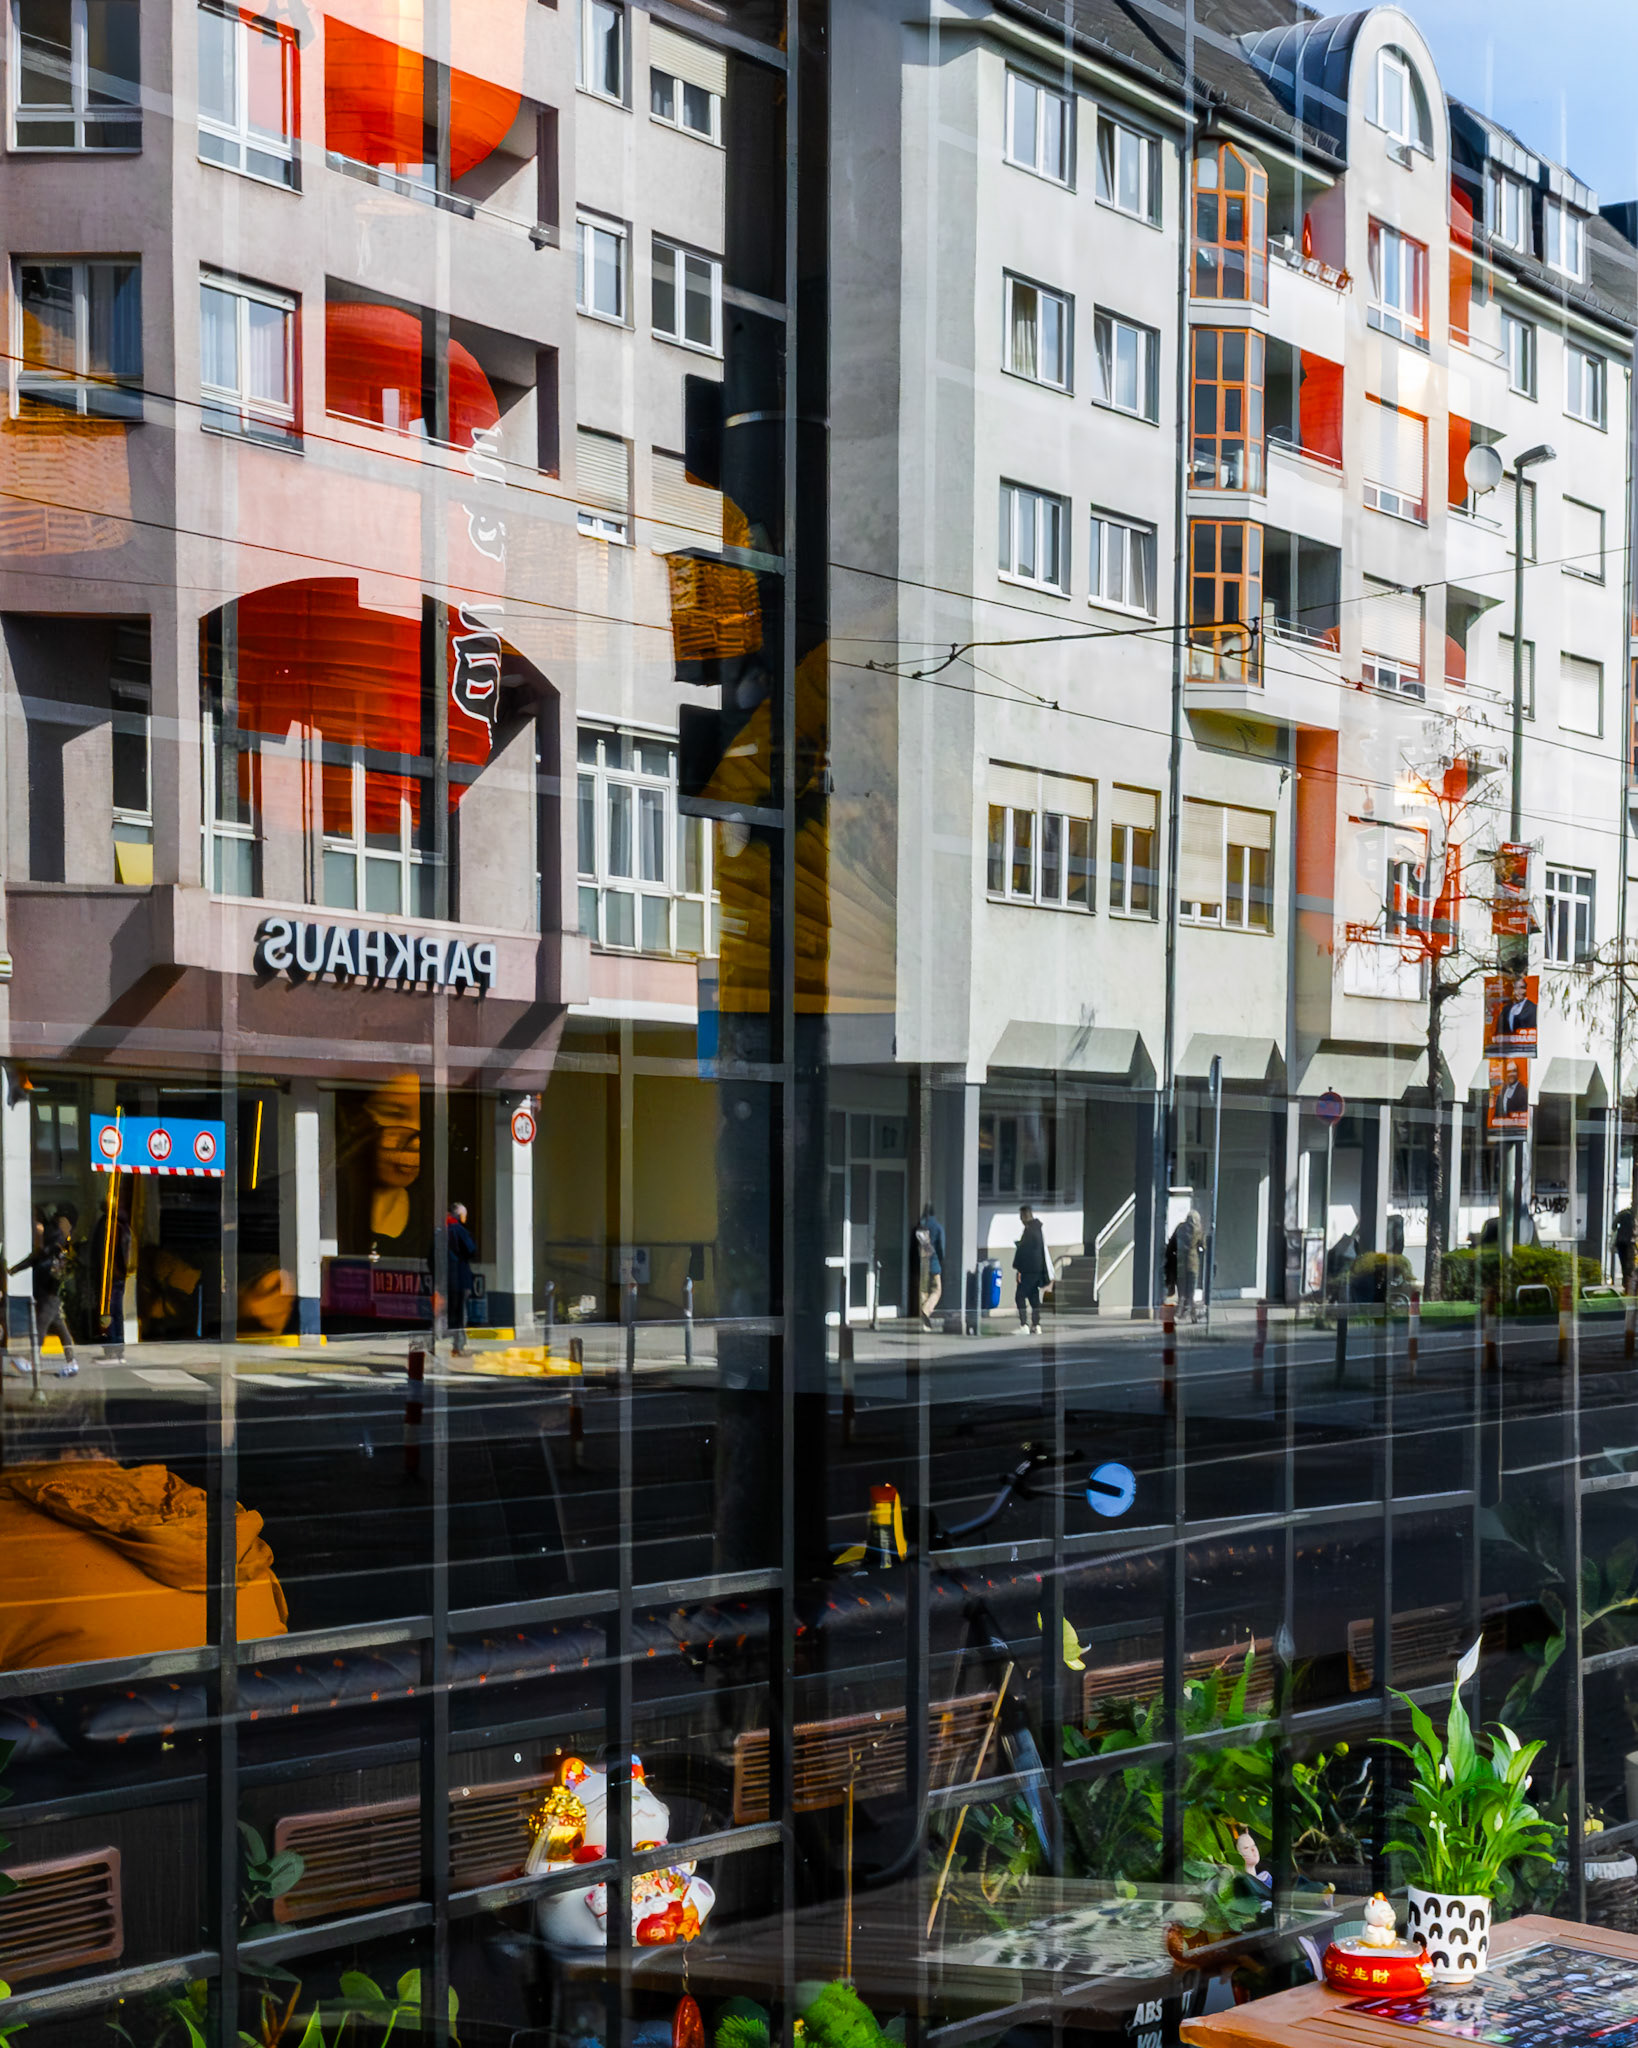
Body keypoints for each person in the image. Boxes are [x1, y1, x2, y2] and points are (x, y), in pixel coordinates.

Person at [9, 1212, 79, 1377]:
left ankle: (32, 1362)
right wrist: (13, 1270)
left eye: (37, 1230)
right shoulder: (44, 1251)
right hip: (46, 1295)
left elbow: (48, 1265)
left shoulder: (53, 1249)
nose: (35, 1233)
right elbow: (31, 1260)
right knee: (61, 1329)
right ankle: (72, 1363)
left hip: (50, 1295)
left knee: (40, 1327)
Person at [88, 1194, 132, 1360]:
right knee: (117, 1313)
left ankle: (112, 1348)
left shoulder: (107, 1225)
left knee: (109, 1313)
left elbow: (100, 1252)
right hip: (118, 1276)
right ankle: (118, 1347)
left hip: (109, 1276)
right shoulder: (123, 1225)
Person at [435, 1202, 478, 1354]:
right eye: (464, 1215)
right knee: (459, 1313)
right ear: (460, 1216)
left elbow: (431, 1257)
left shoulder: (440, 1232)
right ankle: (457, 1345)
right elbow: (472, 1250)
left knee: (441, 1311)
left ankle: (438, 1343)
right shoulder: (460, 1232)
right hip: (460, 1278)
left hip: (443, 1279)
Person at [1012, 1204, 1050, 1335]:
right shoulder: (1037, 1230)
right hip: (1037, 1269)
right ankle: (1036, 1324)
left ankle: (1024, 1325)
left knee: (1020, 1296)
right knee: (1034, 1297)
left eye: (1021, 1216)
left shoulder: (1029, 1231)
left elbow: (1024, 1252)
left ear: (1024, 1216)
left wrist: (1019, 1269)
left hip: (1028, 1270)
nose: (1020, 1220)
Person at [1169, 1205, 1204, 1321]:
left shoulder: (1180, 1228)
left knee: (1182, 1292)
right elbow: (1203, 1246)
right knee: (1191, 1292)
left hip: (1181, 1264)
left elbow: (1172, 1244)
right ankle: (1191, 1316)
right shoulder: (1199, 1230)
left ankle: (1179, 1315)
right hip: (1193, 1265)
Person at [915, 1203, 946, 1331]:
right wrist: (941, 1259)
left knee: (923, 1291)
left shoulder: (920, 1227)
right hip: (933, 1263)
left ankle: (925, 1324)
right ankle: (926, 1310)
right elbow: (941, 1248)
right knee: (937, 1290)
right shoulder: (937, 1227)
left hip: (922, 1263)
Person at [1501, 975, 1537, 1039]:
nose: (1517, 992)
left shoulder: (1532, 1008)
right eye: (1515, 988)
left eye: (1521, 988)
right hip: (1508, 1045)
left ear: (1525, 990)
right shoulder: (1506, 1009)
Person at [1615, 1206, 1635, 1295]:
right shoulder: (1632, 1216)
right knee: (1629, 1264)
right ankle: (1627, 1284)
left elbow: (1613, 1226)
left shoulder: (1621, 1214)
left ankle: (1625, 1284)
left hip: (1620, 1242)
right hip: (1629, 1242)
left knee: (1624, 1263)